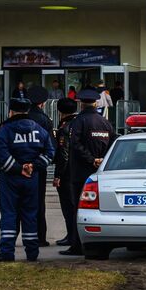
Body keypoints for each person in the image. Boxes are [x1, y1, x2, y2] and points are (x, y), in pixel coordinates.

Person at [0, 96, 55, 262]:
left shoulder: (5, 130)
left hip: (10, 179)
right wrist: (33, 166)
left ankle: (7, 252)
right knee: (30, 214)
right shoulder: (39, 129)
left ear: (11, 111)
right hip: (32, 179)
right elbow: (50, 152)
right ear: (27, 111)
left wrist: (19, 169)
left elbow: (1, 156)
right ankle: (32, 252)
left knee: (9, 214)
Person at [65, 88, 116, 255]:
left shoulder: (78, 122)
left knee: (77, 209)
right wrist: (101, 159)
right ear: (95, 103)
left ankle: (77, 246)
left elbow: (75, 144)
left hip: (80, 173)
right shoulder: (104, 122)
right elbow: (112, 142)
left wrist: (90, 159)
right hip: (100, 174)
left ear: (81, 103)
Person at [24, 86, 55, 245]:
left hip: (20, 167)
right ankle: (40, 237)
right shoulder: (45, 120)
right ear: (43, 103)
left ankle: (16, 235)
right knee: (38, 202)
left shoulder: (22, 117)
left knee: (18, 203)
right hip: (38, 166)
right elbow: (50, 146)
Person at [52, 97, 79, 249]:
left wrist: (58, 175)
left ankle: (71, 236)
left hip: (68, 173)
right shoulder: (80, 123)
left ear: (60, 111)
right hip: (81, 170)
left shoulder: (65, 127)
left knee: (68, 206)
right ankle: (72, 235)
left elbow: (63, 154)